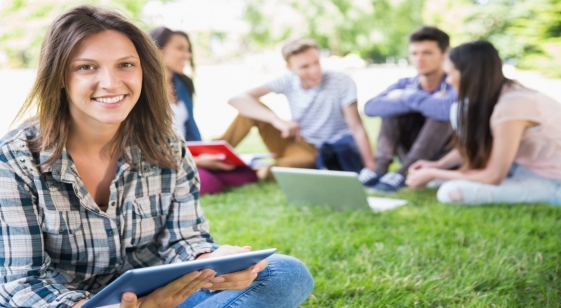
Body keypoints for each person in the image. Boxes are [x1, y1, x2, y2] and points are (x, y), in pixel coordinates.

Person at [0, 6, 314, 308]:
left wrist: (212, 263)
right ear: (59, 76)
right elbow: (23, 282)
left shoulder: (165, 144)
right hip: (53, 302)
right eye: (87, 67)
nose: (111, 82)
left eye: (125, 64)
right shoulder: (14, 158)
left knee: (285, 273)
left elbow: (184, 239)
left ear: (144, 70)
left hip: (152, 296)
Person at [406, 40, 561, 206]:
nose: (449, 81)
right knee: (442, 181)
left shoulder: (512, 106)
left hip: (552, 181)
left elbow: (493, 176)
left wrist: (434, 173)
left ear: (469, 75)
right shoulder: (501, 94)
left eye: (451, 74)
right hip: (525, 169)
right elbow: (485, 143)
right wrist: (438, 165)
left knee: (450, 193)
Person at [221, 38, 374, 176]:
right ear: (290, 67)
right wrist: (276, 120)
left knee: (285, 169)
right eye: (305, 67)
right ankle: (215, 154)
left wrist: (371, 167)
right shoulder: (288, 80)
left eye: (316, 63)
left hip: (317, 149)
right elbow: (237, 99)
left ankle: (257, 171)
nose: (314, 70)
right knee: (250, 111)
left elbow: (357, 127)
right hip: (291, 137)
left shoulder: (341, 81)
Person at [148, 27, 257, 195]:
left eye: (188, 50)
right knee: (208, 185)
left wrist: (203, 154)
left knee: (246, 175)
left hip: (188, 151)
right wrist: (197, 161)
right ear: (158, 49)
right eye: (180, 48)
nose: (188, 55)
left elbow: (190, 129)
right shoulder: (143, 88)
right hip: (161, 158)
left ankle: (202, 170)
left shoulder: (182, 83)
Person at [361, 26, 456, 192]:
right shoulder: (405, 84)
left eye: (427, 53)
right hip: (410, 149)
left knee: (439, 114)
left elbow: (444, 110)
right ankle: (380, 169)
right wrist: (425, 101)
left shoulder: (455, 82)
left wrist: (406, 96)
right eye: (414, 53)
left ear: (444, 54)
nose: (419, 59)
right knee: (391, 111)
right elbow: (370, 107)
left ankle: (404, 172)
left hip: (446, 156)